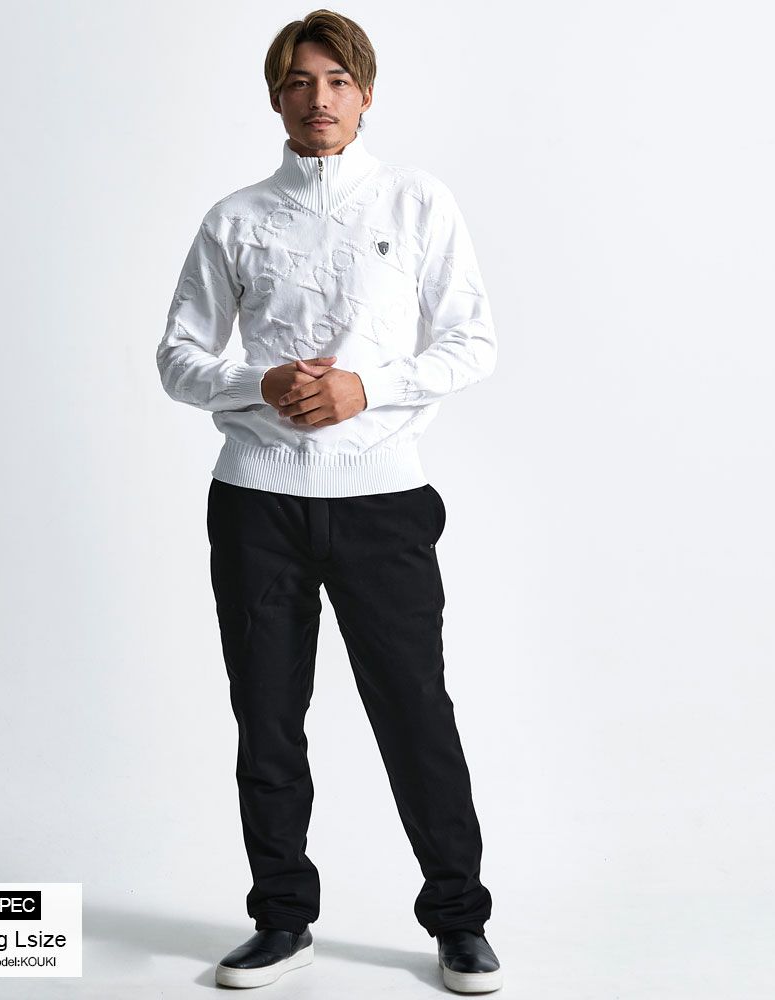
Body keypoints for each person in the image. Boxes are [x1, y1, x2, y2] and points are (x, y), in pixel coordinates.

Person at [156, 9, 501, 993]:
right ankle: (281, 920)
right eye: (301, 82)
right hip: (256, 502)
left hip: (382, 499)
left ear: (366, 94)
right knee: (266, 718)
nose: (320, 99)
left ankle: (459, 920)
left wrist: (365, 388)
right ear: (276, 97)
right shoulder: (234, 217)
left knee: (415, 712)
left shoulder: (416, 200)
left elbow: (472, 342)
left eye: (339, 81)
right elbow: (177, 357)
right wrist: (256, 382)